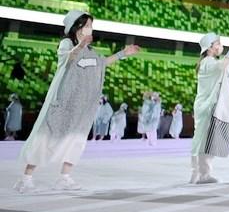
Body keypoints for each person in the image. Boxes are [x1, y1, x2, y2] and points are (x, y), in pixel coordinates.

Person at [14, 11, 140, 192]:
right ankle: (26, 178)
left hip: (82, 106)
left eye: (91, 25)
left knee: (75, 141)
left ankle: (64, 177)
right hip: (64, 102)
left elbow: (101, 64)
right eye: (86, 25)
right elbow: (68, 58)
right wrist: (80, 45)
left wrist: (123, 53)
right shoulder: (67, 43)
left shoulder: (91, 51)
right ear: (76, 27)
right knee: (46, 138)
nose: (90, 29)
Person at [190, 33, 229, 184]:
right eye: (218, 43)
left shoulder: (212, 61)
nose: (220, 46)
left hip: (211, 106)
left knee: (208, 140)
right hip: (206, 106)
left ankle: (201, 174)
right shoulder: (207, 62)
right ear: (210, 47)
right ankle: (201, 174)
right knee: (204, 141)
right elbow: (223, 65)